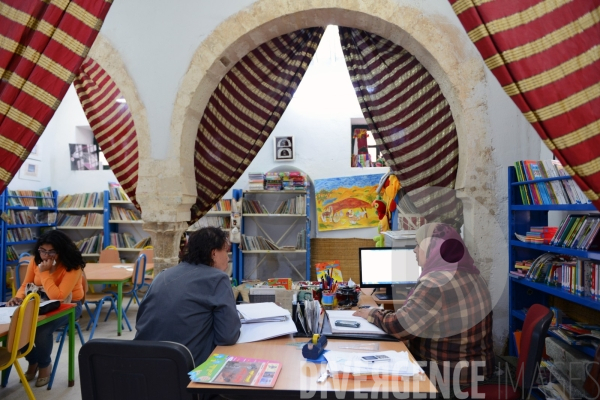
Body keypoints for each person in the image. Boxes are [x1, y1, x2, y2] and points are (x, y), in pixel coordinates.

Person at [353, 222, 494, 385]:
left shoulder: (434, 283)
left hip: (448, 376)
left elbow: (400, 327)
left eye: (418, 245)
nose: (414, 250)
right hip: (481, 371)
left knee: (373, 378)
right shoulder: (475, 275)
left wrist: (371, 313)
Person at [135, 226, 241, 366]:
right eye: (226, 251)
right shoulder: (218, 278)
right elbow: (227, 336)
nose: (227, 258)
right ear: (213, 253)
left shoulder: (163, 275)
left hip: (142, 364)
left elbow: (141, 320)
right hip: (186, 371)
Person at [7, 230, 85, 387]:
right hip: (40, 303)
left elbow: (59, 297)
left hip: (69, 306)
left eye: (51, 252)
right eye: (42, 251)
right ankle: (33, 360)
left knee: (42, 330)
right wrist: (18, 297)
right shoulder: (35, 261)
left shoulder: (72, 266)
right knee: (15, 326)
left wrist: (44, 274)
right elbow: (25, 285)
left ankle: (44, 365)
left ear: (61, 251)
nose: (46, 256)